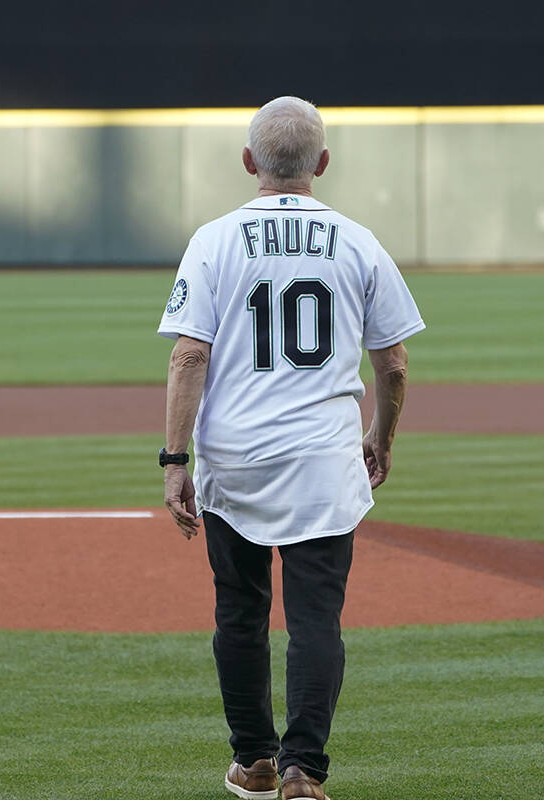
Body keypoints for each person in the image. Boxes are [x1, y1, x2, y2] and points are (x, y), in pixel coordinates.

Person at [158, 96, 424, 800]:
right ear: (322, 165)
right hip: (321, 460)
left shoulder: (214, 239)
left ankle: (255, 761)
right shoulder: (359, 240)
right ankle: (305, 768)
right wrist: (381, 437)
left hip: (235, 458)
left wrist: (174, 459)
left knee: (239, 613)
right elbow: (392, 364)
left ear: (249, 163)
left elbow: (189, 357)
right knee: (315, 621)